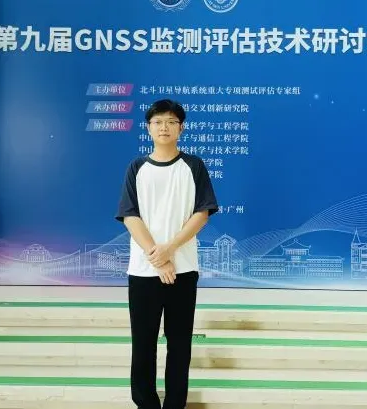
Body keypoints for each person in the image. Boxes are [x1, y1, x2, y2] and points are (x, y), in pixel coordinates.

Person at [116, 99, 218, 409]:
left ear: (181, 128)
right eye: (158, 122)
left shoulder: (193, 166)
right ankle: (146, 404)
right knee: (143, 343)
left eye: (171, 122)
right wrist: (156, 256)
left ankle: (175, 404)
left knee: (180, 343)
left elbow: (202, 213)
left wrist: (169, 250)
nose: (164, 127)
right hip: (143, 271)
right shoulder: (137, 168)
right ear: (148, 128)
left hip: (183, 269)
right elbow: (130, 215)